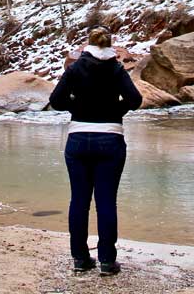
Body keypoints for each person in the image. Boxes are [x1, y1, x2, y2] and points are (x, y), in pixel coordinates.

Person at [48, 26, 143, 276]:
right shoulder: (116, 69)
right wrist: (115, 111)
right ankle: (107, 262)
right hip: (111, 139)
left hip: (78, 138)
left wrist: (78, 107)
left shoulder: (75, 68)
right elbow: (135, 100)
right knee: (106, 202)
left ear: (87, 45)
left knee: (79, 201)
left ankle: (80, 258)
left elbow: (56, 101)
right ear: (110, 45)